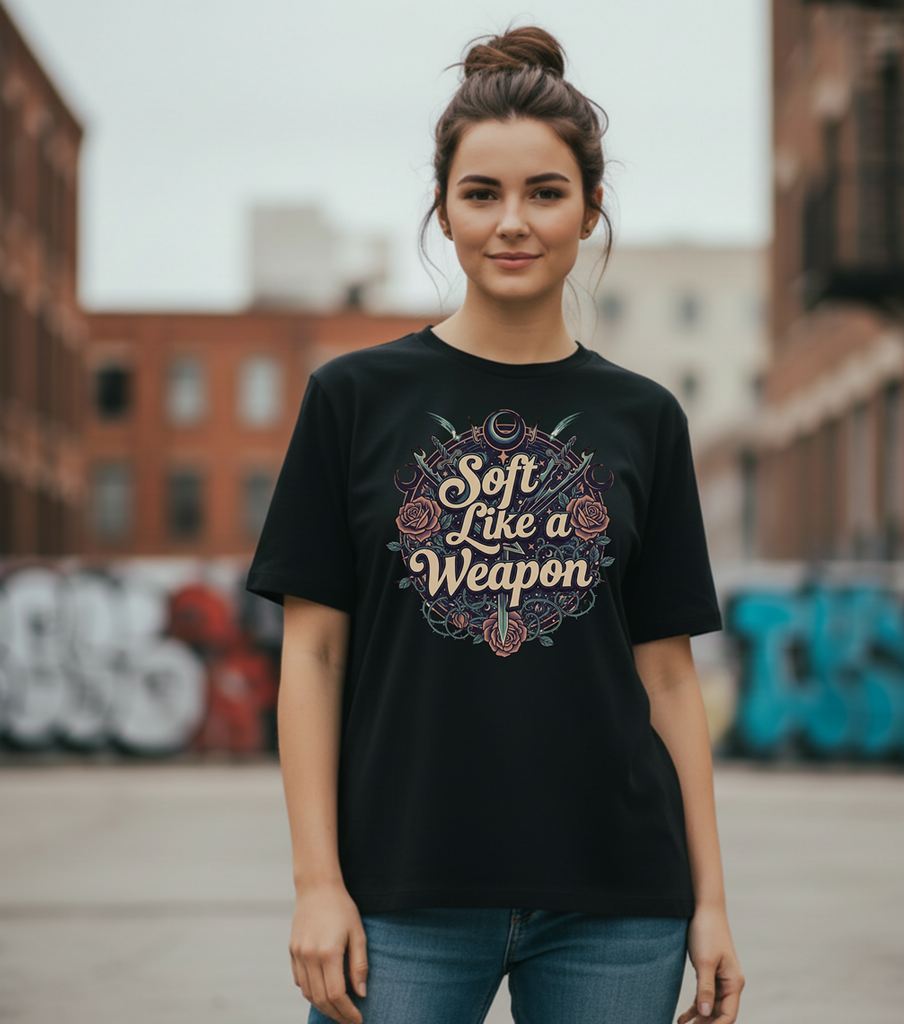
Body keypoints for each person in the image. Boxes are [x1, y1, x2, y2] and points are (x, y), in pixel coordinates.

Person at [246, 25, 744, 1024]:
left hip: (616, 899)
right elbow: (312, 658)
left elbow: (665, 676)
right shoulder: (352, 398)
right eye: (481, 194)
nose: (511, 223)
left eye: (544, 192)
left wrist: (713, 903)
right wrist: (316, 883)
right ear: (442, 208)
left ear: (590, 208)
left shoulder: (645, 419)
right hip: (398, 895)